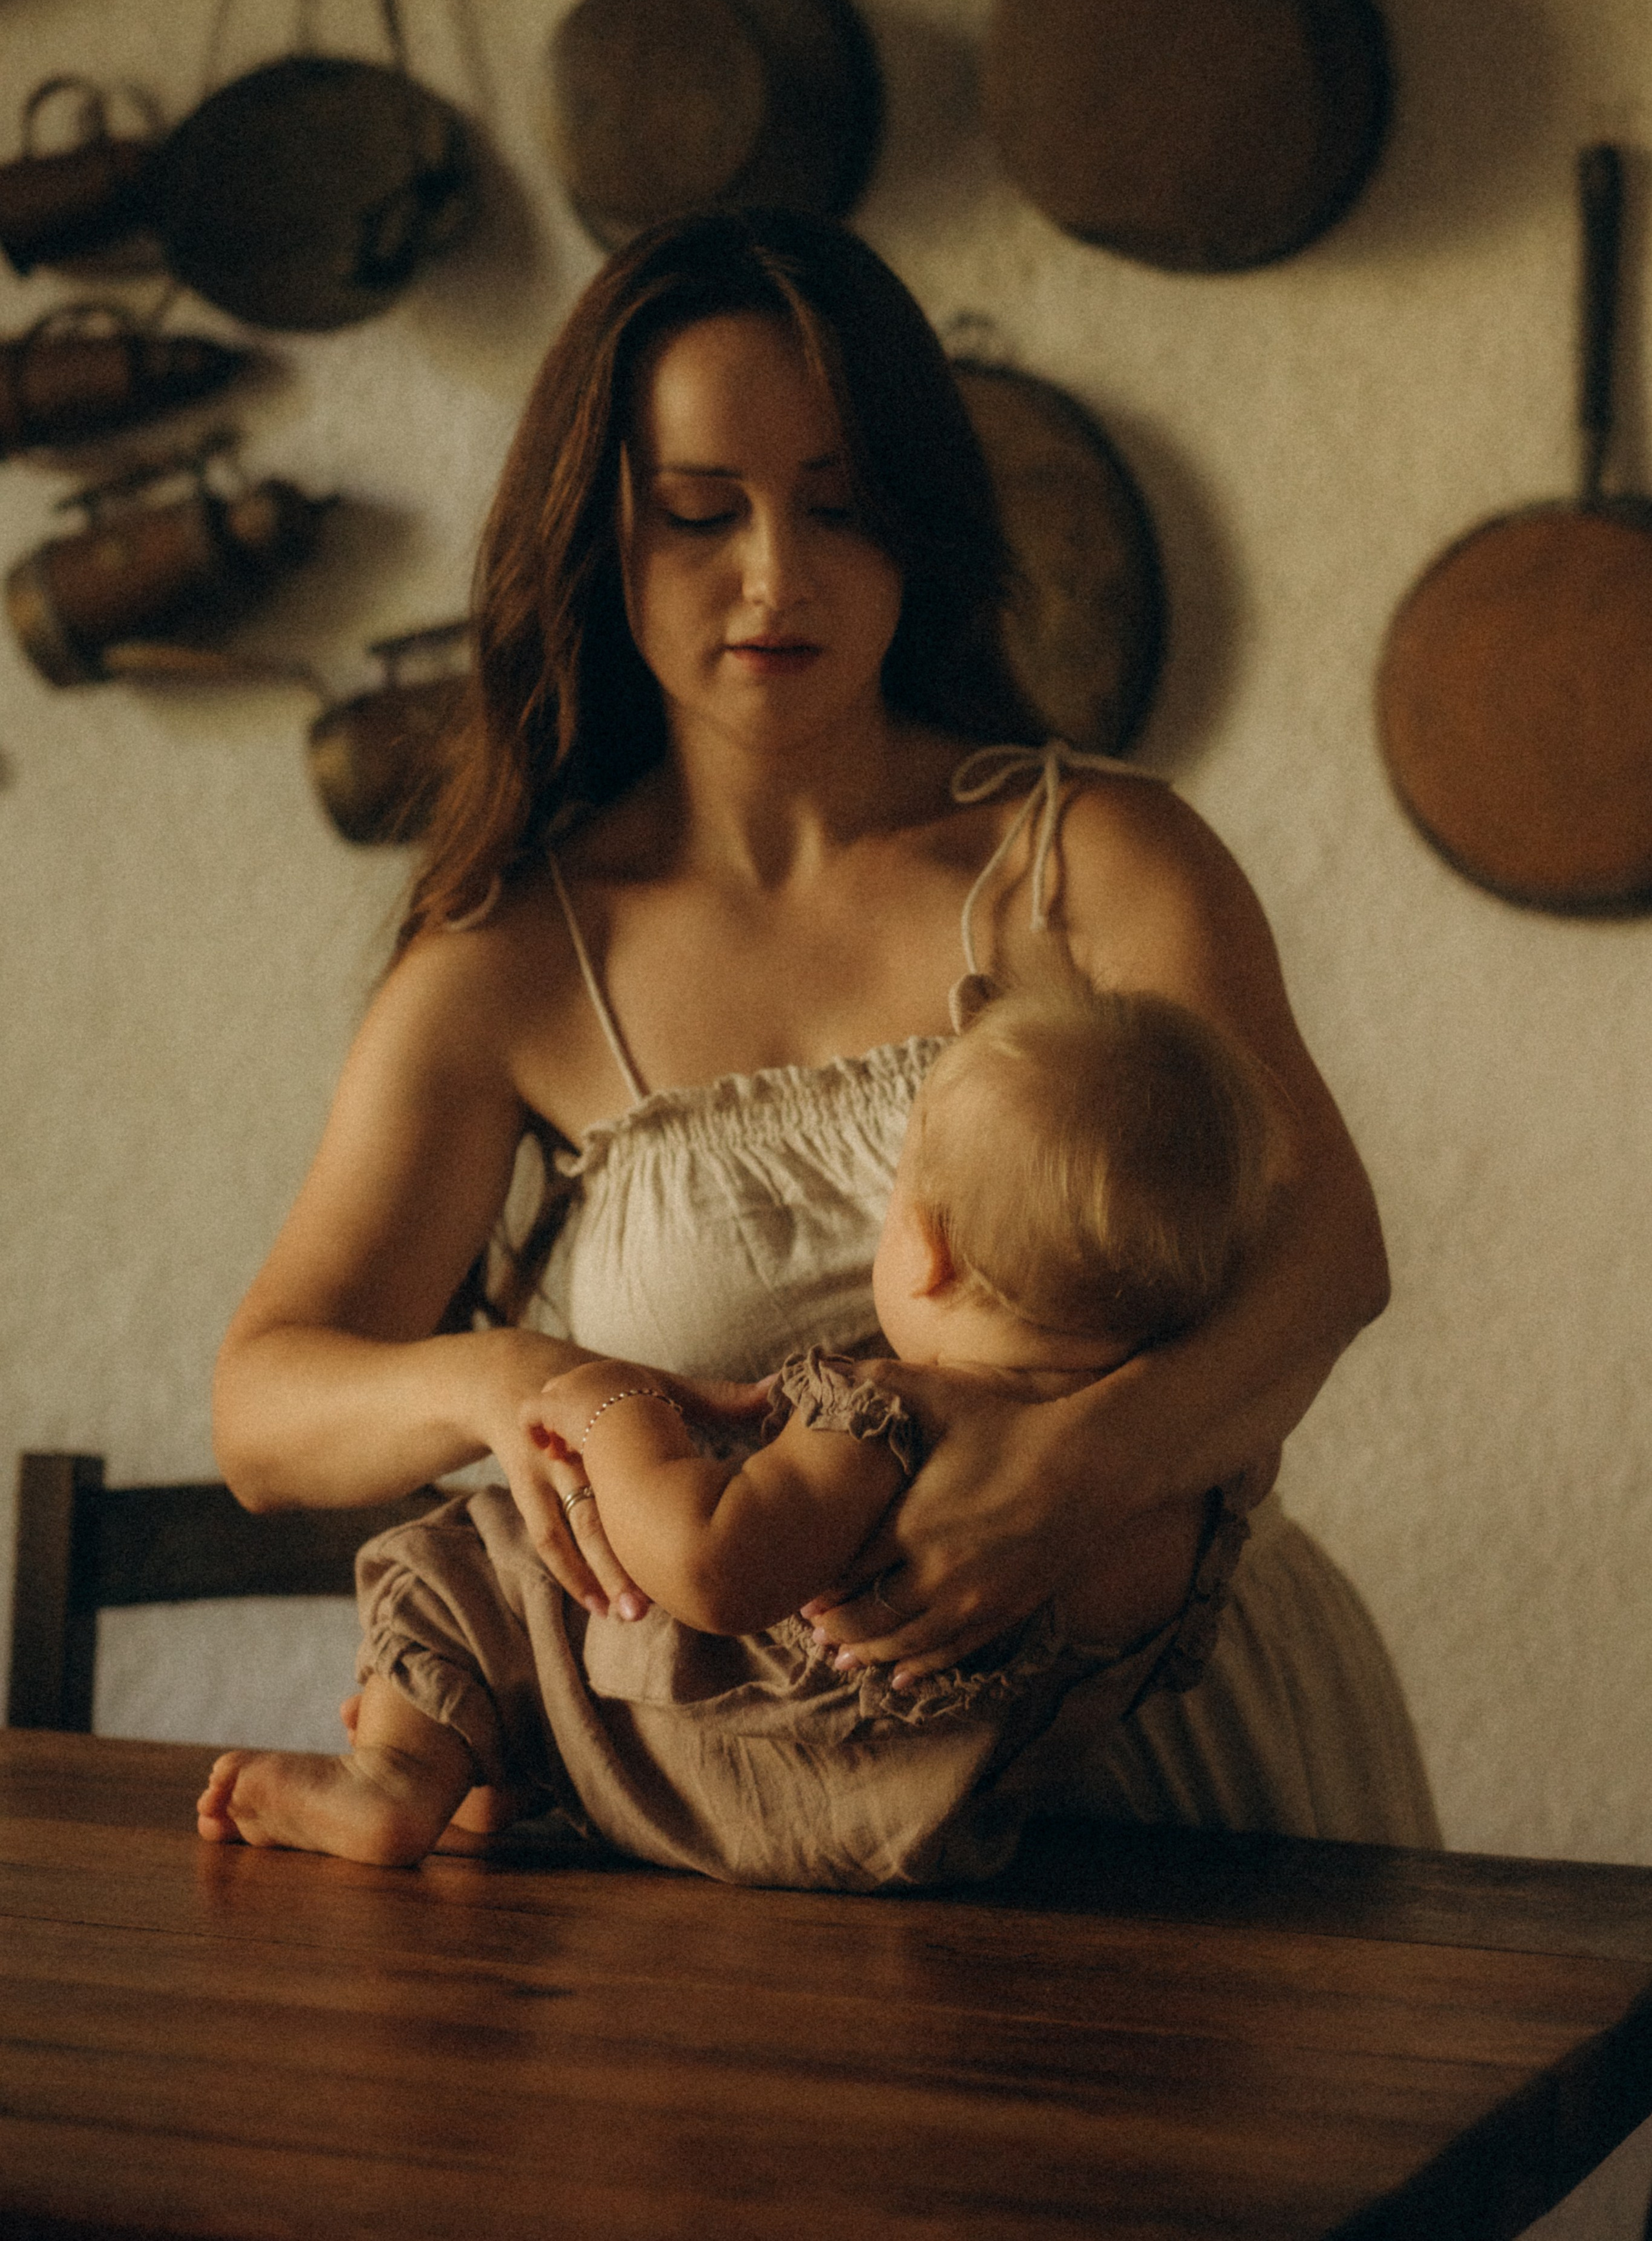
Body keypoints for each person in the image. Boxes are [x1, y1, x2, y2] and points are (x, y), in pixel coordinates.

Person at [208, 206, 1438, 1855]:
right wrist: (520, 1385)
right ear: (597, 539)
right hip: (774, 1847)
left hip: (1173, 1766)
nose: (776, 576)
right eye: (701, 515)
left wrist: (1073, 1475)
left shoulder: (1094, 865)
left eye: (841, 510)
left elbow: (1326, 1259)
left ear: (916, 534)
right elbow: (266, 1412)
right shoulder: (510, 962)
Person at [199, 972, 1272, 1886]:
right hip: (941, 1841)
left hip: (729, 1780)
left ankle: (396, 1776)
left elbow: (710, 1567)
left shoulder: (885, 1412)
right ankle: (502, 1759)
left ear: (927, 1249)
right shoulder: (1191, 1498)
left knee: (480, 1554)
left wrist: (610, 1405)